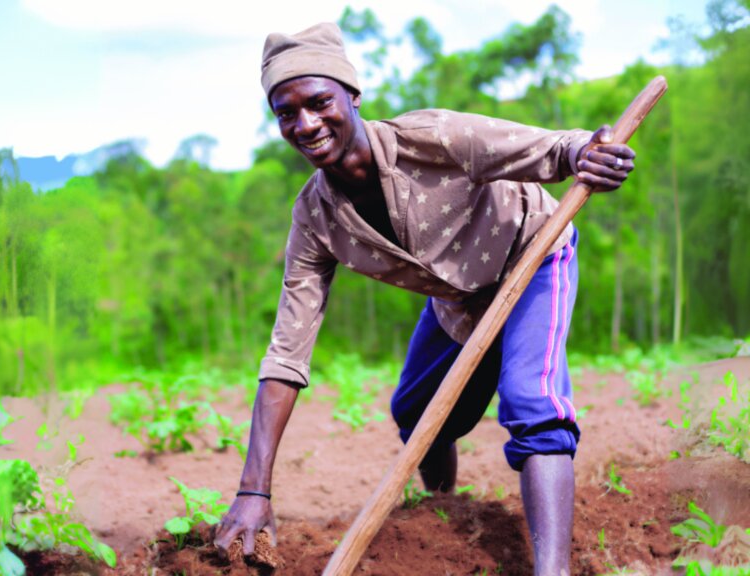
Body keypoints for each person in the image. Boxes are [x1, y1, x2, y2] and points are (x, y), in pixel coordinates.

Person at [211, 22, 636, 575]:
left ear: (353, 97)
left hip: (531, 255)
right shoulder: (314, 218)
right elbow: (287, 352)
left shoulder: (432, 137)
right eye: (286, 113)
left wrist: (588, 152)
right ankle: (445, 518)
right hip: (458, 299)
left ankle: (549, 570)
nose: (306, 124)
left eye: (319, 103)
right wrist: (254, 490)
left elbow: (554, 148)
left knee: (532, 404)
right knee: (415, 411)